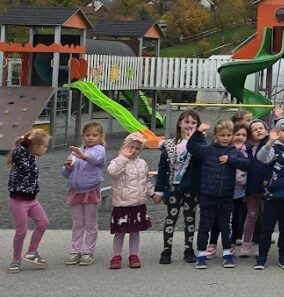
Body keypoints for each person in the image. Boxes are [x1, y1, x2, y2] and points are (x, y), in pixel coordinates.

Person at [189, 119, 251, 269]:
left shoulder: (234, 152)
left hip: (226, 196)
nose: (225, 138)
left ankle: (227, 253)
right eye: (222, 135)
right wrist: (198, 132)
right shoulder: (207, 150)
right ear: (215, 135)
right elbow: (191, 147)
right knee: (204, 225)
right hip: (207, 195)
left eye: (228, 135)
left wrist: (230, 160)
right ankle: (202, 254)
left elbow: (247, 164)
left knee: (225, 226)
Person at [254, 119, 284, 270]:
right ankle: (262, 257)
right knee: (267, 228)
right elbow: (261, 158)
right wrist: (269, 143)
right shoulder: (273, 149)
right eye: (283, 130)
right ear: (277, 132)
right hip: (273, 195)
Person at [155, 110, 202, 265]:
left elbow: (203, 159)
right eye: (186, 122)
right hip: (173, 186)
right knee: (171, 217)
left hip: (191, 188)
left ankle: (189, 249)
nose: (189, 125)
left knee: (190, 218)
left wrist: (193, 143)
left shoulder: (201, 143)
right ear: (180, 123)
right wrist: (159, 190)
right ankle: (166, 249)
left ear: (198, 126)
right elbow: (162, 168)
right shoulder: (169, 144)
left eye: (193, 123)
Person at [106, 134, 154, 269]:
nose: (133, 150)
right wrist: (124, 158)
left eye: (137, 148)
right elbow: (112, 172)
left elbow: (146, 181)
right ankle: (116, 256)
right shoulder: (117, 161)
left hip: (137, 204)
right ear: (123, 147)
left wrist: (152, 193)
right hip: (122, 203)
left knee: (135, 231)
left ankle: (133, 255)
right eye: (130, 147)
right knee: (120, 232)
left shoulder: (142, 163)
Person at [61, 121, 106, 266]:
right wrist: (67, 167)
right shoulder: (77, 151)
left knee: (90, 223)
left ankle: (88, 252)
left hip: (91, 190)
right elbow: (65, 173)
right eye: (88, 135)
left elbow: (97, 159)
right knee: (77, 223)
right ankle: (75, 251)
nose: (91, 138)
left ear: (100, 136)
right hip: (75, 191)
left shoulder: (99, 149)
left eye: (94, 135)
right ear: (83, 136)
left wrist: (83, 155)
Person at [7, 129, 50, 273]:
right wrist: (27, 139)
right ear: (36, 146)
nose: (46, 148)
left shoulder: (31, 157)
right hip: (18, 201)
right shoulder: (21, 155)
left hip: (31, 200)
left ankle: (32, 252)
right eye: (45, 146)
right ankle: (16, 260)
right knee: (21, 231)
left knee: (43, 223)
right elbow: (18, 150)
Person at [239, 119, 271, 258]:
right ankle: (246, 243)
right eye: (255, 129)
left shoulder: (270, 145)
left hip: (267, 187)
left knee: (266, 216)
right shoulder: (246, 147)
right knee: (251, 215)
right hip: (252, 187)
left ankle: (263, 245)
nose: (258, 130)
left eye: (261, 128)